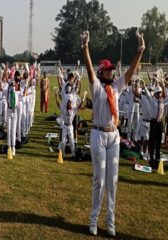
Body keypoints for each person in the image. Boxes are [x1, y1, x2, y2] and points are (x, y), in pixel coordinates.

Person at [81, 30, 145, 237]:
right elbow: (90, 71)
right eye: (108, 70)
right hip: (98, 135)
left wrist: (140, 50)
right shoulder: (98, 87)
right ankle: (93, 220)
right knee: (99, 179)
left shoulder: (116, 87)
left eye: (111, 70)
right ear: (102, 72)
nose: (111, 72)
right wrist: (85, 48)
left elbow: (131, 72)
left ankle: (110, 221)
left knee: (113, 180)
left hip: (114, 136)